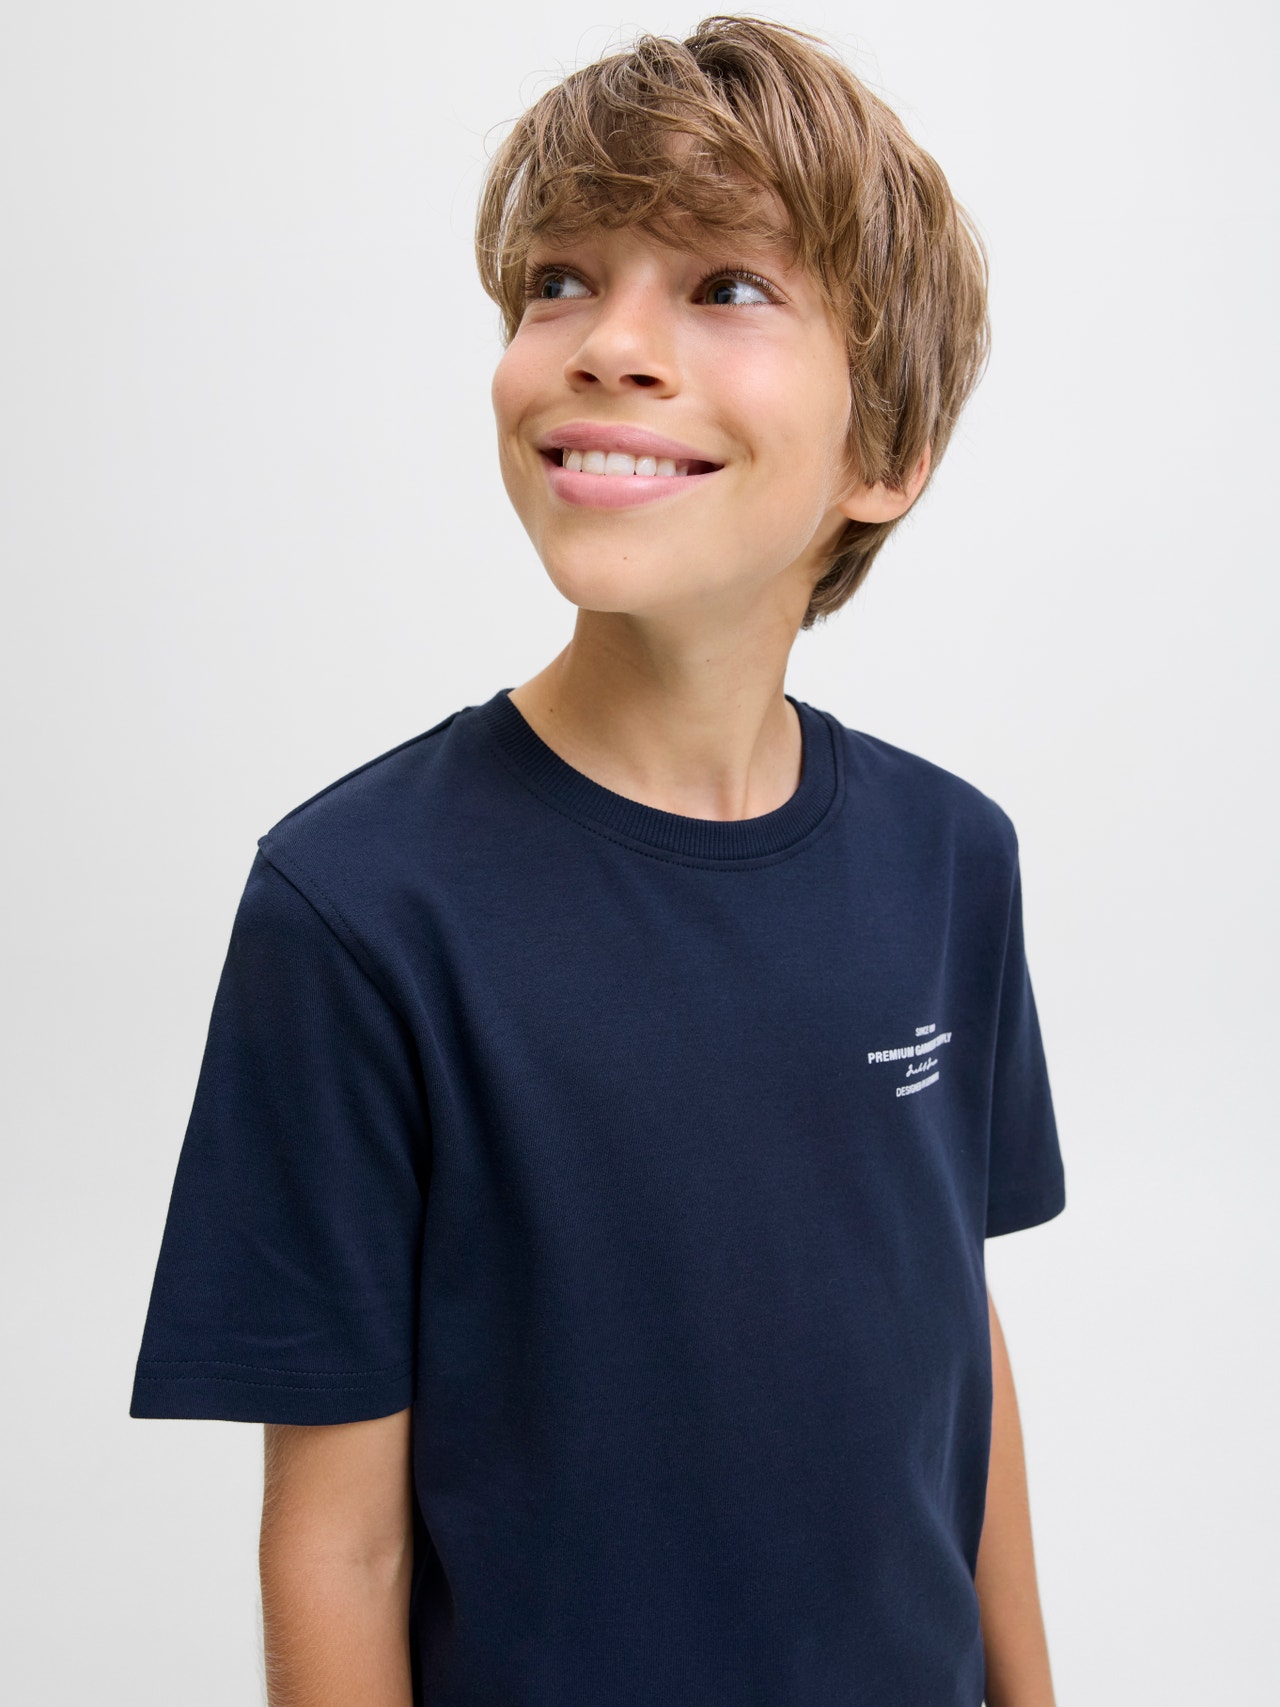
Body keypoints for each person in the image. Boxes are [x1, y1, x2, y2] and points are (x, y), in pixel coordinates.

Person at [130, 15, 1066, 1705]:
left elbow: (955, 1349)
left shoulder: (951, 862)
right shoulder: (359, 911)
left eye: (726, 286)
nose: (611, 345)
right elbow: (339, 1550)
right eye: (559, 281)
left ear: (885, 455)